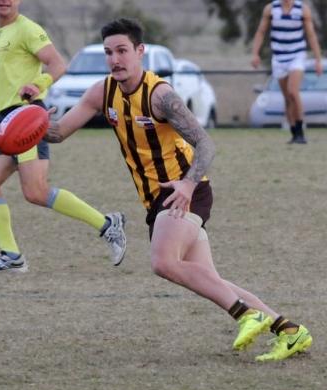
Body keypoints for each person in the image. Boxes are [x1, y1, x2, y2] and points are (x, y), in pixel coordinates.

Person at [44, 18, 312, 362]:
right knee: (208, 278)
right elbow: (59, 132)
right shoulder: (102, 92)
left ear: (140, 52)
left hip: (187, 188)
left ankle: (246, 314)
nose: (115, 59)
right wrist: (34, 120)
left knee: (163, 262)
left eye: (123, 50)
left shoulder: (161, 96)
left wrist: (187, 183)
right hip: (156, 197)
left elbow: (206, 144)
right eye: (109, 52)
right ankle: (290, 331)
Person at [0, 0, 126, 273]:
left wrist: (39, 83)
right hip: (6, 122)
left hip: (27, 116)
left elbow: (57, 64)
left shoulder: (28, 29)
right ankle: (11, 255)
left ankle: (107, 225)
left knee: (36, 192)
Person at [251, 0, 323, 144]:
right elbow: (261, 32)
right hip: (279, 58)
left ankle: (301, 131)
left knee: (293, 92)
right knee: (287, 98)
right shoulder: (271, 9)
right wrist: (255, 54)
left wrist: (318, 59)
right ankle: (294, 132)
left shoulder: (302, 9)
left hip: (297, 55)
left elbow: (311, 35)